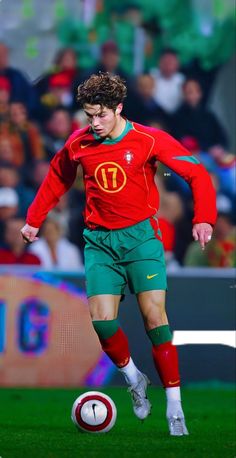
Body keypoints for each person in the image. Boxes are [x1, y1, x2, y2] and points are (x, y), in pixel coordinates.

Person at [21, 73, 217, 436]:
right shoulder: (79, 142)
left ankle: (175, 407)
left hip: (141, 238)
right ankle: (133, 378)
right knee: (102, 321)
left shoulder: (147, 139)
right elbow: (57, 178)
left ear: (118, 109)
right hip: (99, 242)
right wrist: (34, 220)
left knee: (155, 319)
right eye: (89, 116)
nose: (93, 123)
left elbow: (198, 174)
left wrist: (204, 217)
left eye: (100, 115)